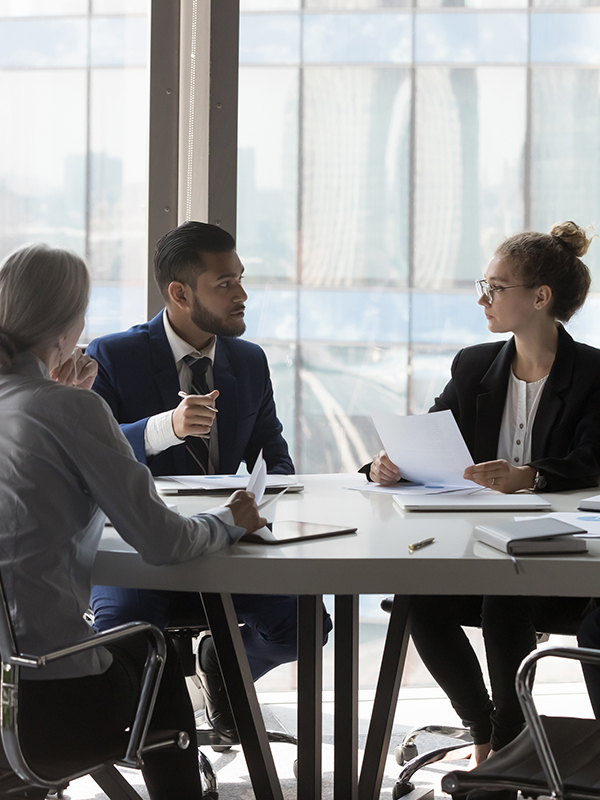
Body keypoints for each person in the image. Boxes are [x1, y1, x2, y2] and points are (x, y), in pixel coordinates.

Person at [0, 242, 267, 800]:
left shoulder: (37, 404)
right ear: (69, 324)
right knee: (158, 657)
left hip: (5, 691)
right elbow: (163, 542)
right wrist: (229, 518)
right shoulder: (69, 410)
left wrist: (65, 399)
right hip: (46, 695)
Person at [86, 220, 332, 743]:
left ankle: (224, 661)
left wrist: (273, 498)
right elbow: (92, 454)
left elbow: (272, 449)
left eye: (241, 279)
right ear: (179, 293)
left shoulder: (248, 359)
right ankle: (152, 738)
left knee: (308, 627)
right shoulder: (113, 356)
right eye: (225, 283)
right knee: (126, 637)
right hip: (141, 545)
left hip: (228, 539)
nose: (242, 294)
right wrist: (164, 428)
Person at [367, 221, 600, 764]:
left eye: (495, 288)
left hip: (565, 561)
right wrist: (389, 465)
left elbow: (593, 458)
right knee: (417, 598)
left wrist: (533, 475)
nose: (482, 299)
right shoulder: (474, 367)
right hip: (480, 545)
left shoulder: (593, 373)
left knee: (503, 594)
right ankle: (486, 734)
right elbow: (429, 437)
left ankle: (511, 745)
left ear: (540, 297)